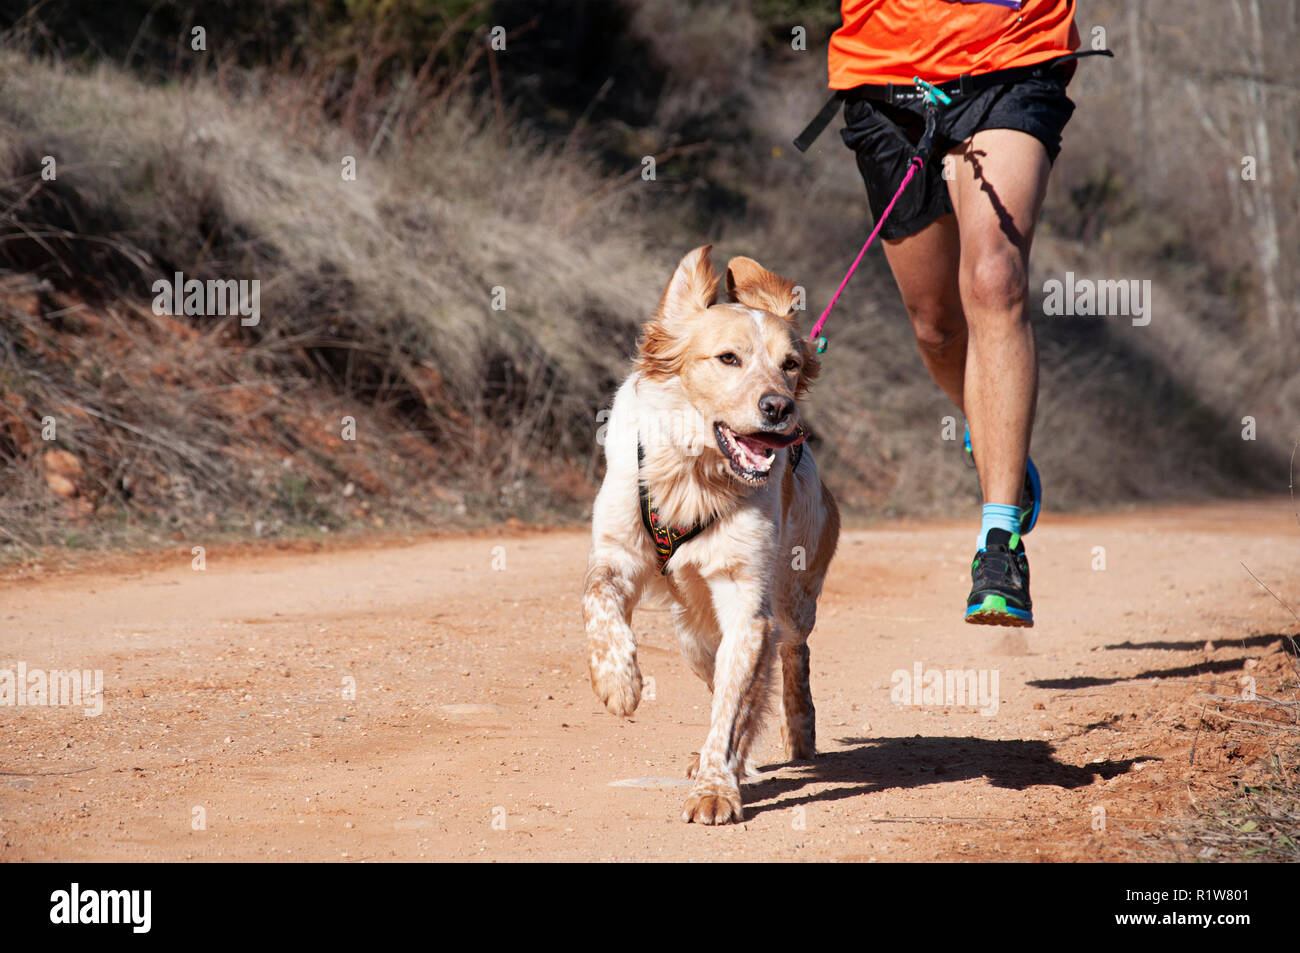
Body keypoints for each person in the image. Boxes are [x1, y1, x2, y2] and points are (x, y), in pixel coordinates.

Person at [828, 0, 1089, 627]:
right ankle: (992, 432)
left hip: (1013, 64)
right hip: (887, 76)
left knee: (996, 278)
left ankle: (999, 546)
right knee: (936, 326)